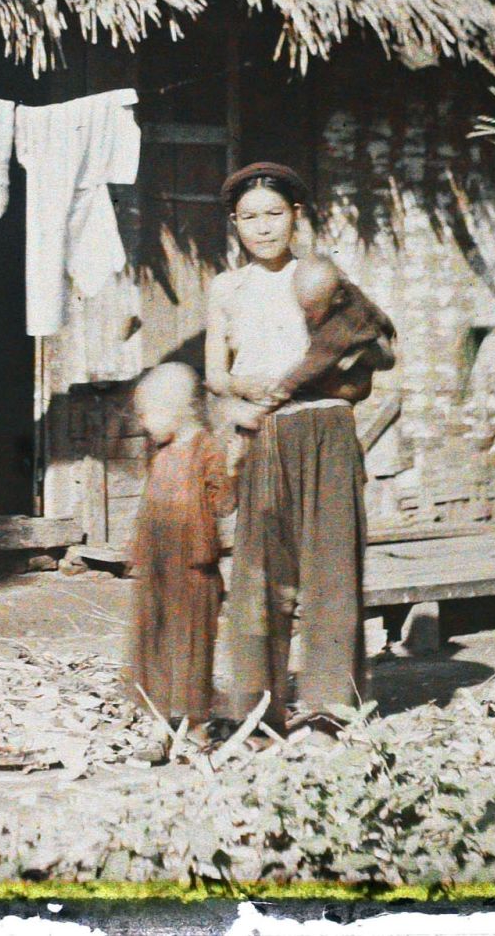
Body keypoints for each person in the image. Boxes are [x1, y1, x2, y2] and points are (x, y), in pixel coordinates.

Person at [206, 163, 367, 731]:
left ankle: (330, 707)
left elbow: (365, 362)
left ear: (297, 215)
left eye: (275, 214)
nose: (263, 228)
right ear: (233, 224)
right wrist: (249, 389)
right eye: (249, 218)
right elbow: (216, 375)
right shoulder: (227, 288)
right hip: (266, 431)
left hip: (324, 428)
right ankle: (256, 710)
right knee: (258, 573)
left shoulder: (324, 278)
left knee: (331, 567)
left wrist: (314, 383)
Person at [126, 362, 232, 742]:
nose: (143, 425)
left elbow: (223, 503)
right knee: (156, 637)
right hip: (158, 563)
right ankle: (160, 718)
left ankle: (197, 723)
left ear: (177, 410)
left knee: (193, 641)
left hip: (193, 566)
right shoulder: (162, 452)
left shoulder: (206, 449)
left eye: (148, 415)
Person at [278, 253, 398, 405]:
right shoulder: (334, 293)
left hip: (375, 348)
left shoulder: (343, 320)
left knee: (325, 380)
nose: (309, 315)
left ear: (337, 298)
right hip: (357, 341)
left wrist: (286, 385)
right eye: (305, 309)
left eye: (313, 309)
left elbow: (318, 359)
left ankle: (362, 354)